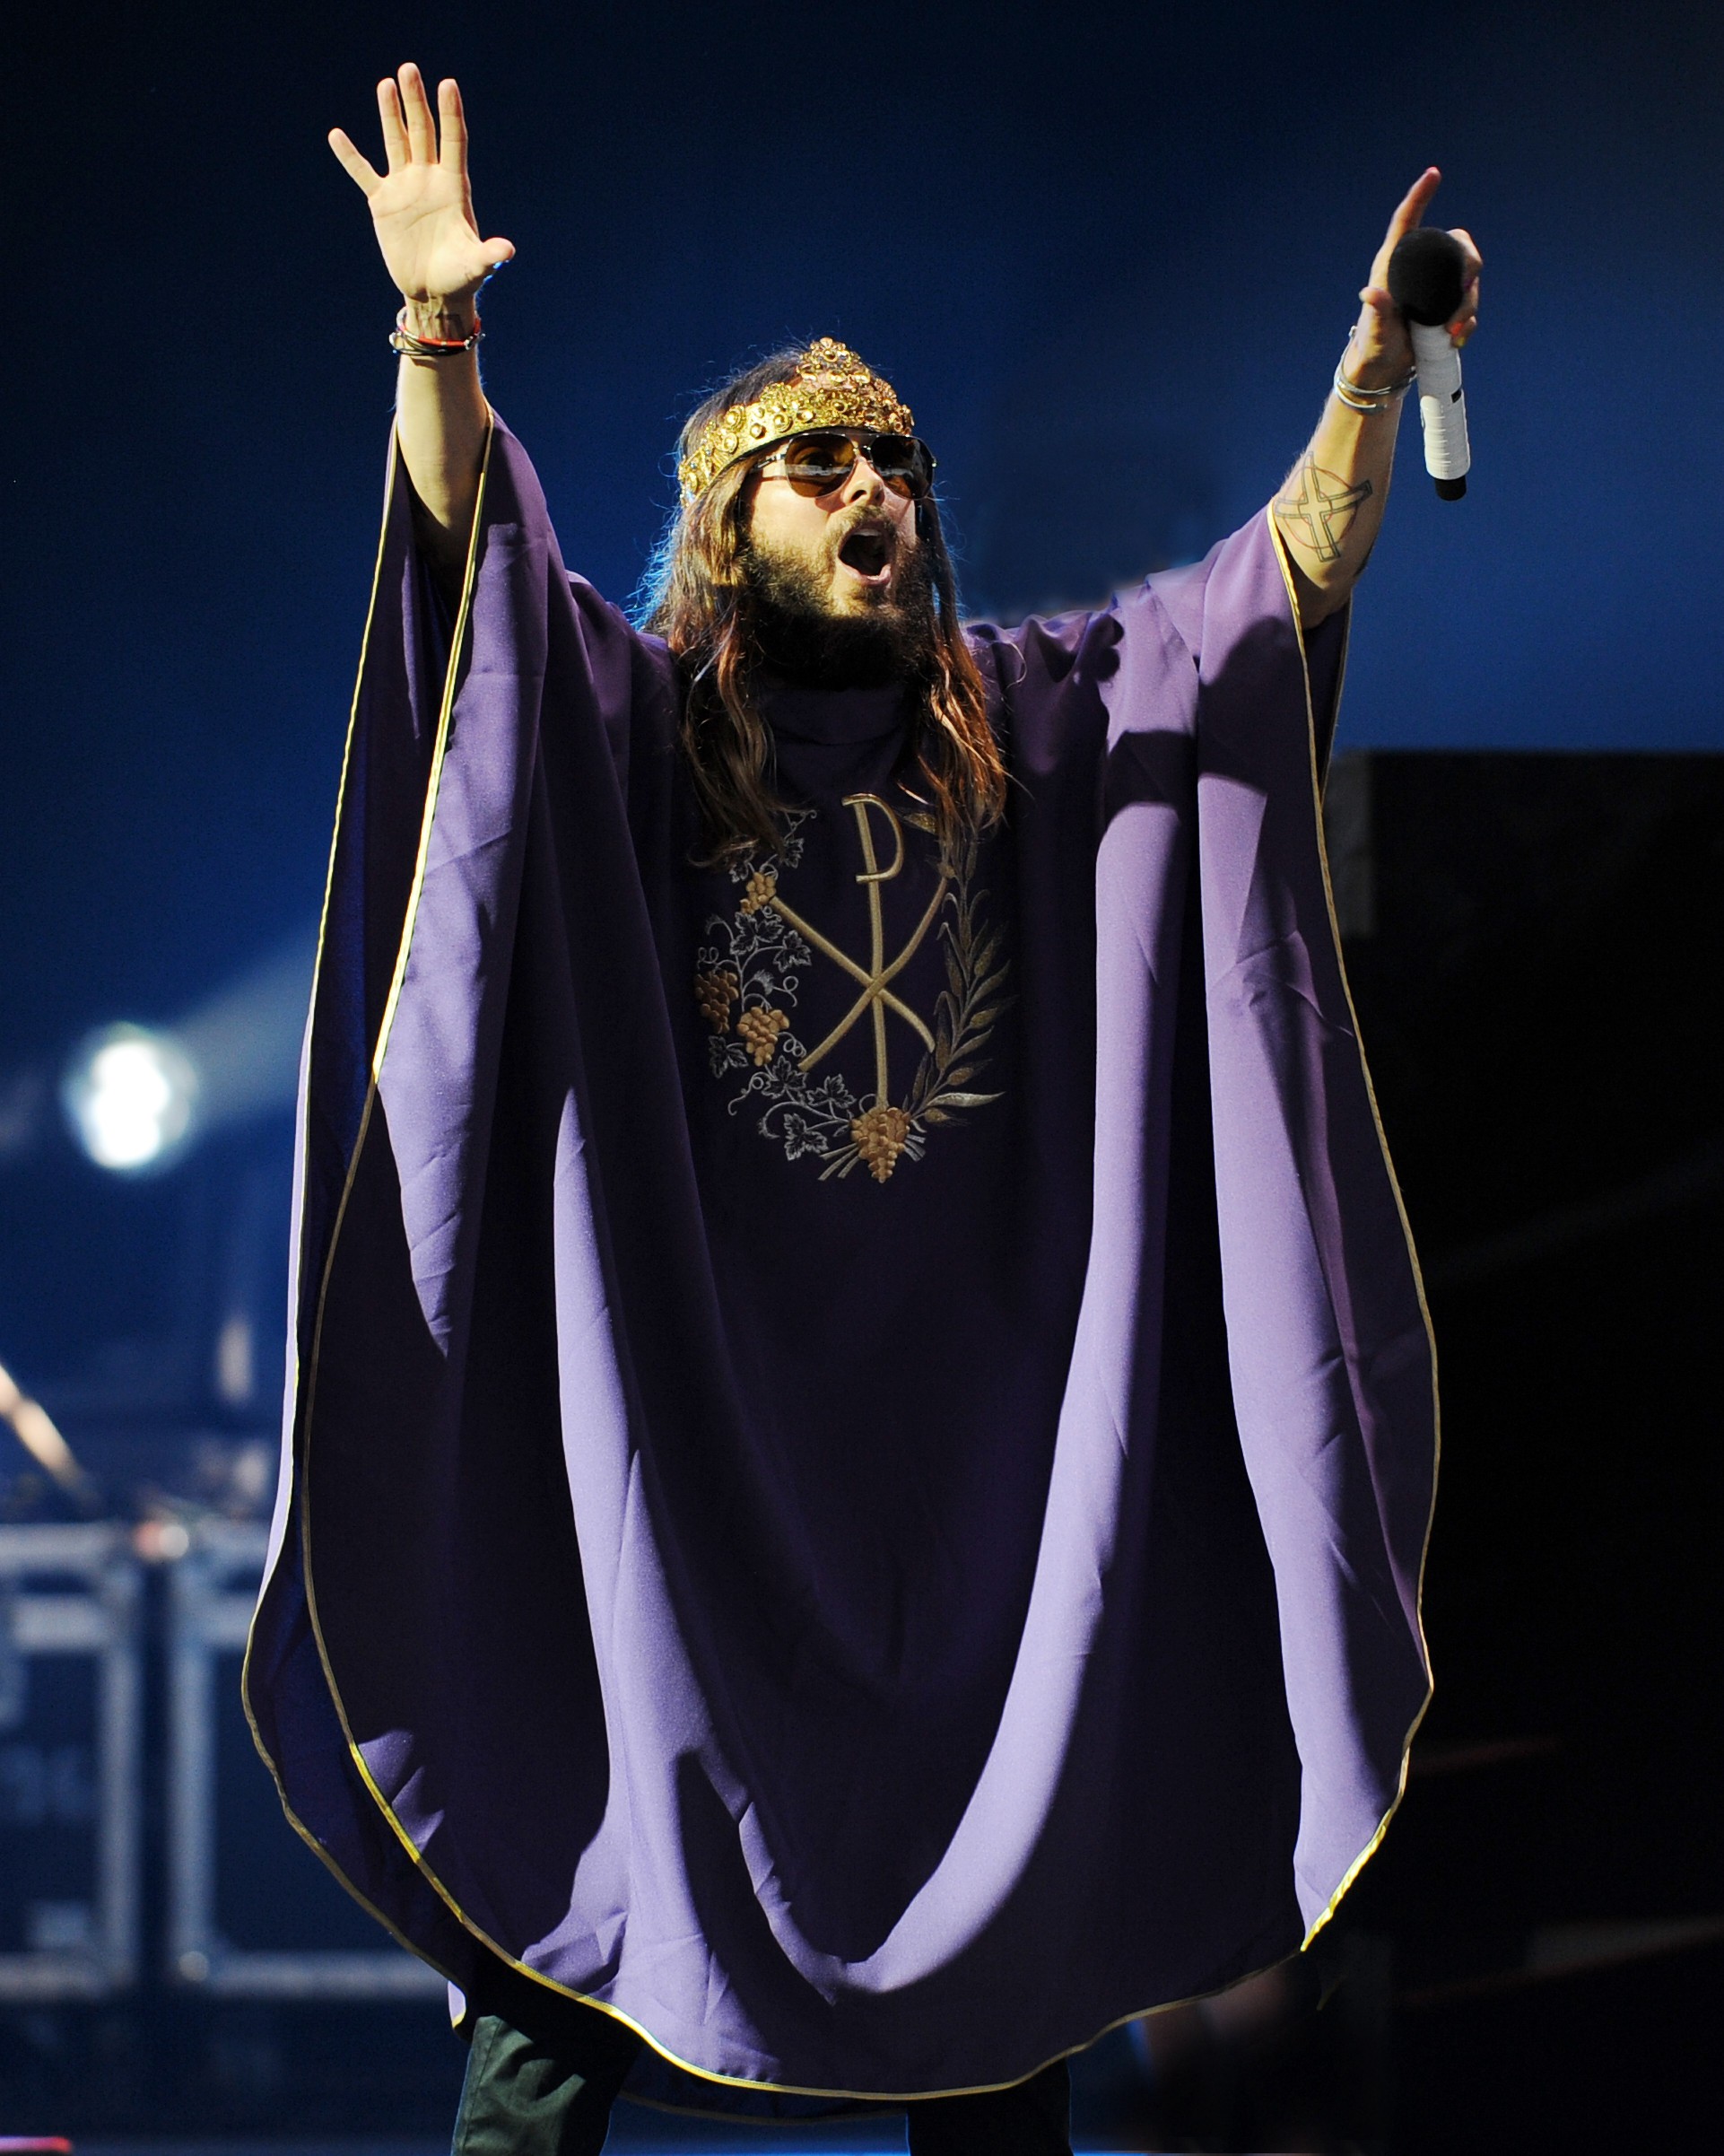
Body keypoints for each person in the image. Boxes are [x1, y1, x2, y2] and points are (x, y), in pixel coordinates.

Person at [245, 62, 1476, 2156]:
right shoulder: (626, 735)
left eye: (893, 458)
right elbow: (466, 578)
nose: (870, 486)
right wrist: (434, 328)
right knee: (573, 1949)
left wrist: (1371, 378)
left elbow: (1273, 589)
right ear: (725, 526)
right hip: (684, 1469)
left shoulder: (1052, 732)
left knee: (1003, 1965)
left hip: (987, 1496)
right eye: (814, 464)